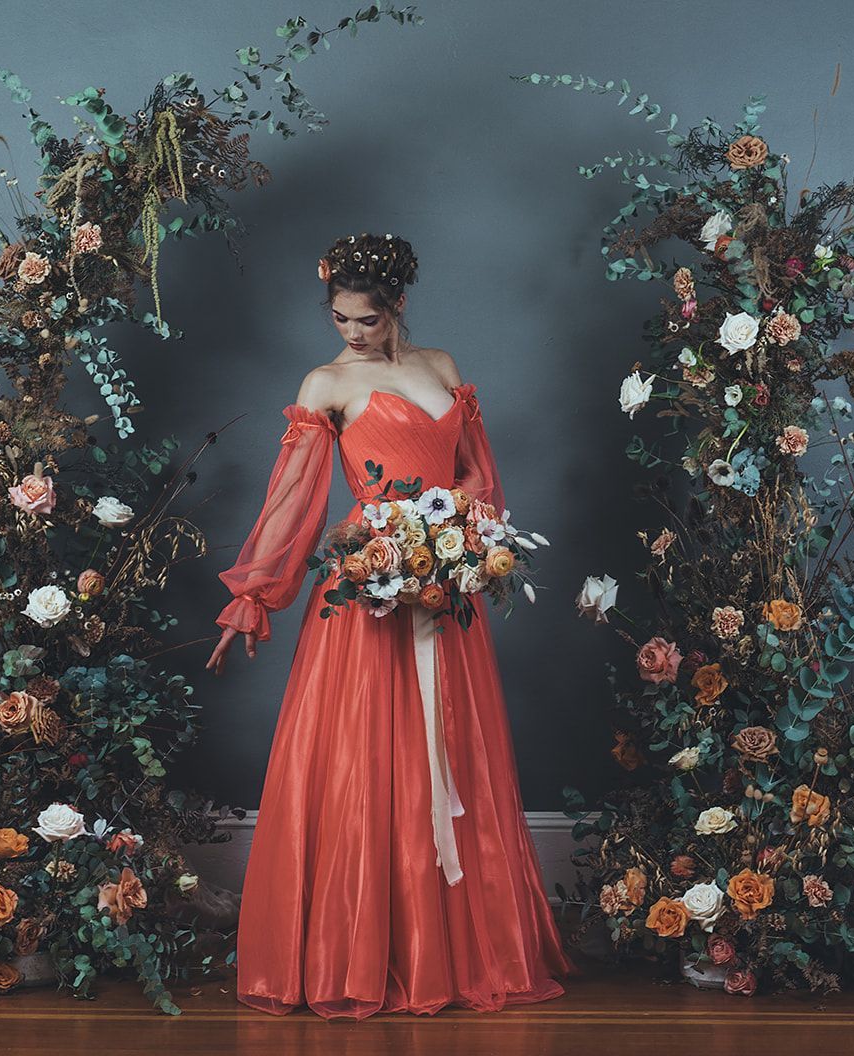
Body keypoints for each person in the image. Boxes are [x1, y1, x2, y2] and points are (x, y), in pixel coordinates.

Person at [205, 232, 577, 1019]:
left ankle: (449, 951)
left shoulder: (441, 368)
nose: (350, 334)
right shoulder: (325, 383)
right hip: (366, 595)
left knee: (448, 755)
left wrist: (472, 549)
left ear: (398, 306)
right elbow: (293, 502)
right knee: (363, 761)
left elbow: (477, 479)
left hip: (443, 590)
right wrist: (253, 596)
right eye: (340, 318)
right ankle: (357, 951)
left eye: (365, 321)